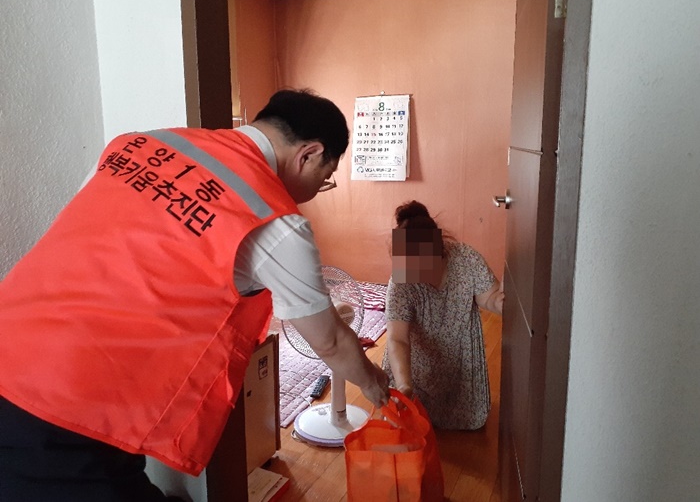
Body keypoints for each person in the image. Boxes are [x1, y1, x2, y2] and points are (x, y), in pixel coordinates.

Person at [0, 88, 389, 501]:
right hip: (62, 404)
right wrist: (377, 385)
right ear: (309, 154)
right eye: (324, 179)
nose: (316, 189)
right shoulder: (273, 219)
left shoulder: (135, 146)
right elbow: (329, 341)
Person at [381, 200, 504, 430]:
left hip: (460, 365)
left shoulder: (466, 260)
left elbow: (490, 297)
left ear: (440, 252)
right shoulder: (401, 280)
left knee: (468, 423)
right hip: (415, 369)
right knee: (409, 421)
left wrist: (501, 301)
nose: (415, 275)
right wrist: (404, 386)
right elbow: (397, 339)